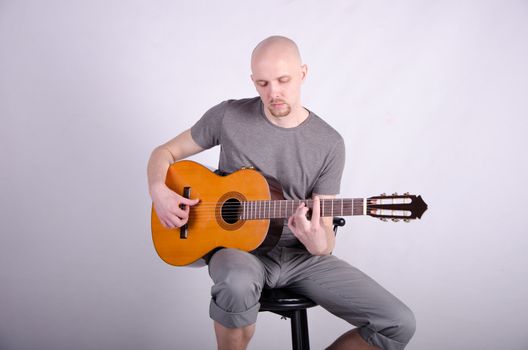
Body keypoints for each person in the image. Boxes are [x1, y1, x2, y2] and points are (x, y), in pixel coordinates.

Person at [147, 35, 415, 350]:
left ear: (303, 73)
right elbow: (163, 153)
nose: (273, 93)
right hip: (239, 253)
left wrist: (318, 243)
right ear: (252, 80)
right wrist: (158, 191)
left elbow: (324, 239)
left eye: (283, 80)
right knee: (236, 284)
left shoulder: (329, 143)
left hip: (302, 258)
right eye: (262, 83)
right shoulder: (228, 116)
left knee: (398, 323)